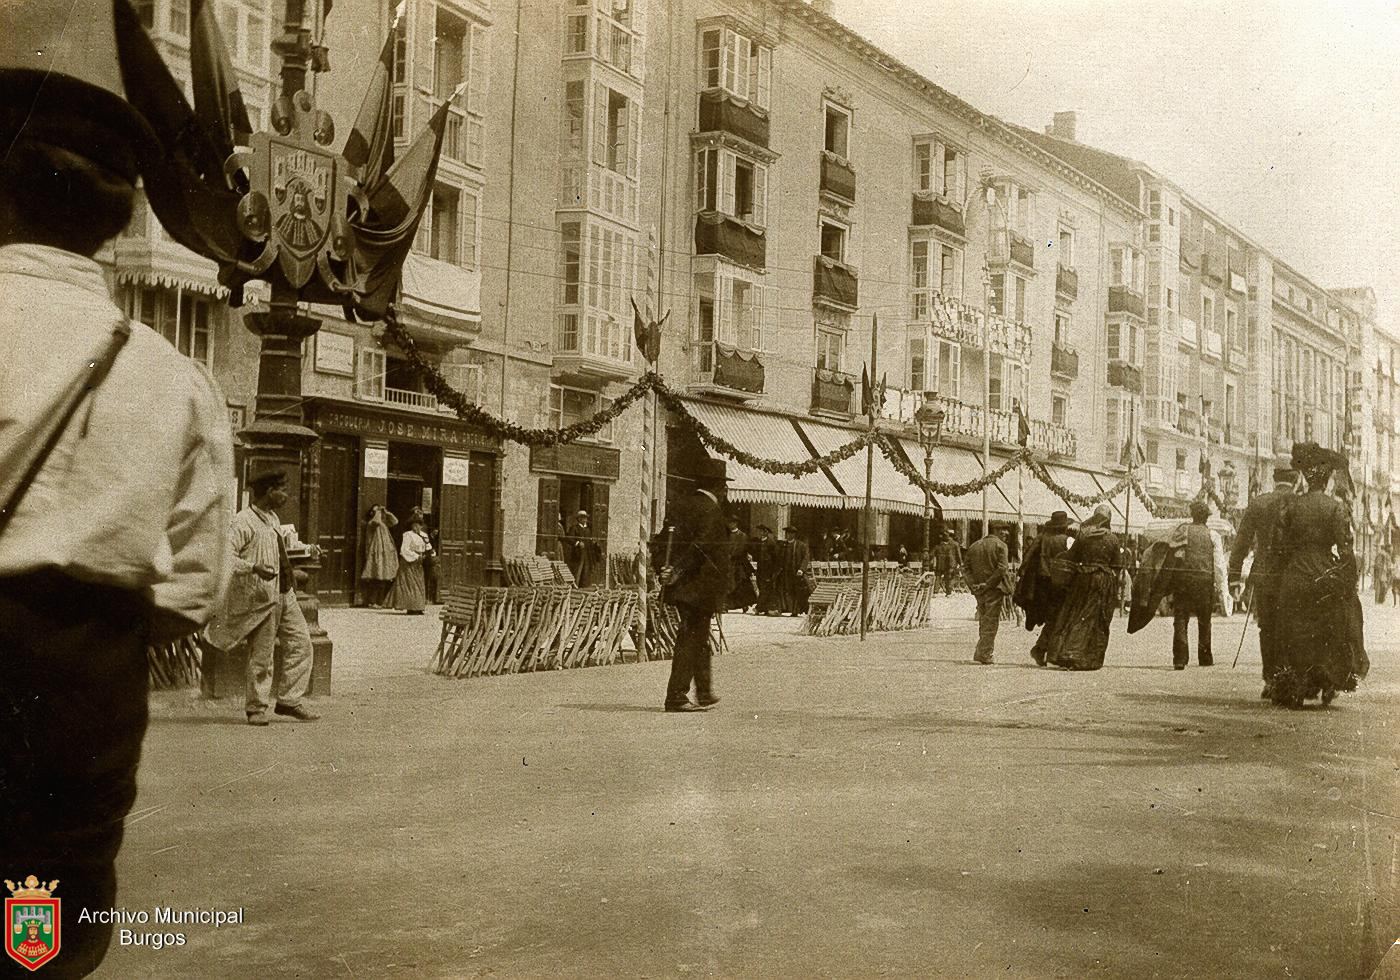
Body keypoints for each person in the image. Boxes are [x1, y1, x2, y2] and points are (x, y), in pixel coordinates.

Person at [0, 11, 234, 971]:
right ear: (117, 217)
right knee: (40, 943)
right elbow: (195, 585)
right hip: (80, 706)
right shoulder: (172, 375)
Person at [207, 469, 321, 726]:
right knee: (262, 654)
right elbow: (225, 557)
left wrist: (307, 550)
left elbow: (280, 550)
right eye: (282, 490)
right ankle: (256, 707)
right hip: (261, 597)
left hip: (284, 593)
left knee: (302, 644)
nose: (286, 496)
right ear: (269, 491)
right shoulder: (243, 522)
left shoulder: (272, 518)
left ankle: (289, 700)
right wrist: (254, 568)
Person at [1271, 442, 1367, 707]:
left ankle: (1294, 682)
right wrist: (1348, 581)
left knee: (1292, 631)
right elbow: (1346, 549)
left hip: (1296, 575)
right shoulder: (1336, 508)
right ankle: (1328, 680)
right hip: (1325, 574)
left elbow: (1280, 547)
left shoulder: (1290, 506)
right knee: (1332, 628)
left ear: (1306, 477)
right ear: (1326, 481)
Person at [659, 458, 733, 712]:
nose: (725, 492)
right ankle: (676, 696)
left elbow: (661, 540)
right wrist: (678, 570)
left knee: (699, 638)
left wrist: (666, 568)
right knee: (691, 639)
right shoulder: (710, 509)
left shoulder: (682, 505)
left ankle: (703, 691)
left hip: (685, 586)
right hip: (700, 586)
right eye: (723, 487)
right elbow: (701, 547)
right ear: (718, 487)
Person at [1229, 468, 1298, 696]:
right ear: (1295, 480)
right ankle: (1286, 677)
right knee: (1290, 627)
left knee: (1266, 627)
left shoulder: (1259, 503)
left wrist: (1234, 576)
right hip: (1293, 575)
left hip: (1265, 574)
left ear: (1274, 480)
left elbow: (1241, 542)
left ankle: (1270, 678)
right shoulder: (1300, 503)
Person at [1042, 505, 1122, 671]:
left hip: (1082, 579)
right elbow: (1117, 565)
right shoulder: (1113, 539)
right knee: (1097, 618)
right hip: (1103, 581)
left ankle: (1064, 652)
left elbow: (1071, 556)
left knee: (1075, 614)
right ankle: (1083, 656)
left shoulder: (1083, 535)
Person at [1170, 500, 1227, 670]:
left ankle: (1180, 658)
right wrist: (1221, 586)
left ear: (1192, 515)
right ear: (1206, 518)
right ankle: (1205, 657)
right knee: (1204, 620)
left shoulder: (1183, 531)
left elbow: (1173, 554)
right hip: (1204, 581)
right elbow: (1218, 564)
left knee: (1181, 618)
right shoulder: (1213, 535)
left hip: (1184, 580)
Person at [1014, 511, 1074, 666]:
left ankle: (1044, 649)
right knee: (1061, 616)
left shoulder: (1041, 538)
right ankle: (1045, 649)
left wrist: (1022, 574)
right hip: (1059, 584)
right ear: (1064, 527)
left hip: (1041, 584)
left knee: (1052, 617)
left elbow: (1027, 557)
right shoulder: (1068, 541)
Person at [964, 525, 1011, 664]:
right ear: (995, 531)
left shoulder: (974, 546)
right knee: (990, 621)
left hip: (979, 590)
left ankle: (981, 651)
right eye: (1003, 530)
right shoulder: (1001, 546)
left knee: (984, 619)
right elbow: (1002, 568)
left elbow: (965, 568)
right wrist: (988, 584)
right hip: (994, 589)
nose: (1006, 533)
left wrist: (973, 585)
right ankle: (985, 653)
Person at [388, 516, 434, 615]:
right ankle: (411, 607)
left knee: (419, 584)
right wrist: (415, 556)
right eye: (414, 525)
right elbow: (404, 549)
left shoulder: (424, 535)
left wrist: (429, 552)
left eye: (418, 525)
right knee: (410, 584)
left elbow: (427, 546)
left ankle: (418, 607)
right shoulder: (407, 535)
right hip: (409, 562)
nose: (416, 527)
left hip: (419, 563)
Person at [360, 504, 398, 607]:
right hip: (377, 554)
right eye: (376, 511)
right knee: (377, 577)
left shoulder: (384, 524)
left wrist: (387, 512)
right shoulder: (372, 523)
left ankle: (380, 601)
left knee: (384, 577)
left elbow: (395, 521)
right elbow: (376, 522)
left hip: (385, 554)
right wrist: (377, 512)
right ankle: (373, 601)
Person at [726, 517, 757, 612]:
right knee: (728, 584)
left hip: (739, 564)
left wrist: (731, 555)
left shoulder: (742, 536)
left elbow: (741, 548)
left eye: (732, 523)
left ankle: (744, 604)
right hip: (728, 564)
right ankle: (727, 605)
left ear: (736, 523)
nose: (730, 525)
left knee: (740, 584)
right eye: (729, 523)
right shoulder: (726, 535)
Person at [565, 509, 602, 587]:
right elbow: (569, 539)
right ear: (579, 519)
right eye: (582, 518)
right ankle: (575, 586)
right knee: (578, 569)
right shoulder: (574, 528)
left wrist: (593, 543)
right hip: (578, 553)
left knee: (586, 570)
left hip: (587, 553)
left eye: (585, 518)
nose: (584, 519)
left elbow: (590, 540)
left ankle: (584, 586)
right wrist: (578, 543)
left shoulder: (588, 529)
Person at [781, 525, 813, 615]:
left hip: (797, 572)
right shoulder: (784, 545)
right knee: (789, 591)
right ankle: (791, 609)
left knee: (797, 591)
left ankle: (796, 610)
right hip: (787, 572)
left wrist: (802, 569)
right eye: (787, 533)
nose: (788, 535)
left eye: (790, 533)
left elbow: (806, 558)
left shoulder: (801, 545)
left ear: (794, 535)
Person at [753, 524, 780, 614]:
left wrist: (774, 570)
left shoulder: (771, 542)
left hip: (768, 569)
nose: (760, 533)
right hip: (761, 569)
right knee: (762, 587)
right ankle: (765, 608)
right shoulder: (760, 542)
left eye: (762, 531)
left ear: (766, 532)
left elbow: (775, 557)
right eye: (759, 531)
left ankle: (759, 608)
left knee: (766, 588)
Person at [933, 528, 963, 596]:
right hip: (951, 562)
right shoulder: (955, 544)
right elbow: (958, 554)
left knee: (938, 576)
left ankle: (936, 591)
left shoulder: (941, 544)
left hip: (942, 563)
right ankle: (949, 591)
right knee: (949, 577)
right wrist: (960, 563)